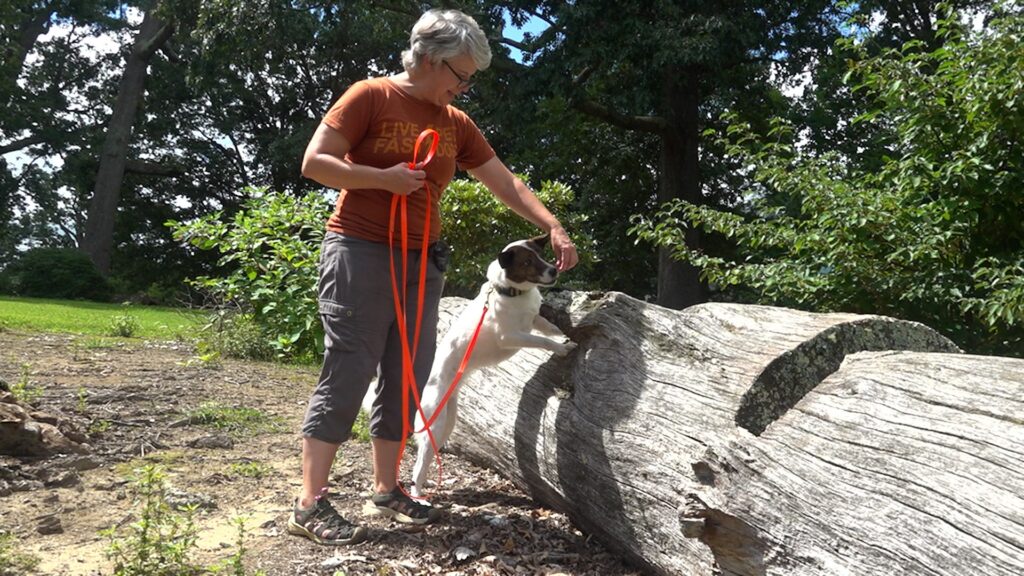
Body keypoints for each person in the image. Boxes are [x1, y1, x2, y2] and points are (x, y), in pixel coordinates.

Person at [290, 8, 579, 545]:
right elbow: (316, 162)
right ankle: (310, 503)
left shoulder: (455, 123)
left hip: (422, 262)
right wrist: (382, 179)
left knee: (407, 372)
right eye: (460, 75)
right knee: (350, 369)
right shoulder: (370, 95)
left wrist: (552, 226)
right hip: (359, 250)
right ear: (428, 58)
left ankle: (387, 488)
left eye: (469, 79)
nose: (464, 88)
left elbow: (506, 182)